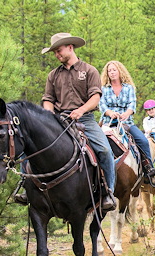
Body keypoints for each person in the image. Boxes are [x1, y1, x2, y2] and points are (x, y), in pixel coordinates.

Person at [39, 32, 116, 210]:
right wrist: (49, 116)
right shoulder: (53, 75)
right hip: (59, 119)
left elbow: (95, 97)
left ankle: (108, 192)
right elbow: (48, 99)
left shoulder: (89, 70)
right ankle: (27, 189)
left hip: (86, 119)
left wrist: (80, 110)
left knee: (104, 150)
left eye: (59, 51)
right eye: (55, 53)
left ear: (70, 47)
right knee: (33, 145)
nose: (57, 55)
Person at [99, 61, 155, 188]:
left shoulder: (129, 88)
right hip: (108, 124)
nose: (111, 72)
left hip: (126, 123)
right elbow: (102, 105)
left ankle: (149, 170)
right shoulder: (104, 89)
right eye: (109, 71)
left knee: (143, 141)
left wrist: (126, 114)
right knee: (95, 143)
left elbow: (132, 105)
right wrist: (110, 113)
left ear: (120, 71)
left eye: (114, 70)